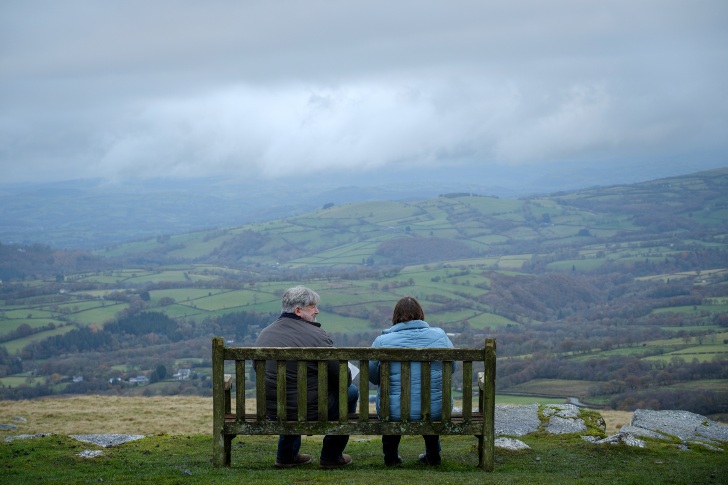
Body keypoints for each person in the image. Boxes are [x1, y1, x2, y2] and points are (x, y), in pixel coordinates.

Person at [255, 285, 359, 469]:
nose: (317, 310)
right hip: (311, 409)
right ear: (298, 310)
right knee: (350, 391)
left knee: (289, 394)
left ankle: (286, 456)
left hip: (273, 408)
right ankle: (331, 455)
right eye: (312, 306)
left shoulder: (265, 334)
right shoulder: (317, 336)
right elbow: (342, 378)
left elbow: (259, 370)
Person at [369, 296, 455, 466]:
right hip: (437, 410)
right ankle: (433, 456)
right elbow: (450, 369)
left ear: (396, 316)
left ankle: (391, 457)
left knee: (392, 406)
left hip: (393, 411)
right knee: (429, 403)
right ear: (420, 314)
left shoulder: (382, 341)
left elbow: (372, 377)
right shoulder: (441, 337)